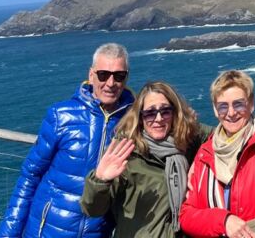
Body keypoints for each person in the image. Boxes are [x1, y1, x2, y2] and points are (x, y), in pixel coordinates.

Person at [0, 42, 134, 238]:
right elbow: (30, 176)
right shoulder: (61, 115)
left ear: (126, 78)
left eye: (118, 76)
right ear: (91, 75)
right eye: (103, 75)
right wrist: (8, 234)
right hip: (47, 230)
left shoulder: (133, 121)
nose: (110, 83)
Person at [81, 80, 204, 238]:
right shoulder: (126, 153)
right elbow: (93, 209)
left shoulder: (187, 141)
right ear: (140, 117)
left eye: (165, 111)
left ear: (175, 112)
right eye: (150, 113)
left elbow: (224, 135)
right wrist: (100, 180)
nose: (158, 118)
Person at [181, 69, 255, 238]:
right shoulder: (205, 153)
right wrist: (223, 221)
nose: (231, 113)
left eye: (238, 104)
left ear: (251, 104)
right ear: (215, 110)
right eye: (223, 106)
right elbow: (186, 216)